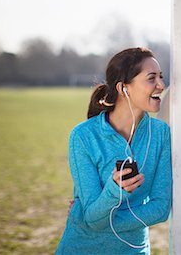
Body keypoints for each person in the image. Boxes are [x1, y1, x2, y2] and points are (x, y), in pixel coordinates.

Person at [56, 47, 172, 255]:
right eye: (151, 78)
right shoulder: (83, 136)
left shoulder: (161, 134)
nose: (161, 85)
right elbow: (93, 218)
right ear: (123, 88)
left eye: (161, 77)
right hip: (81, 248)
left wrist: (99, 219)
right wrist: (114, 190)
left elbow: (161, 209)